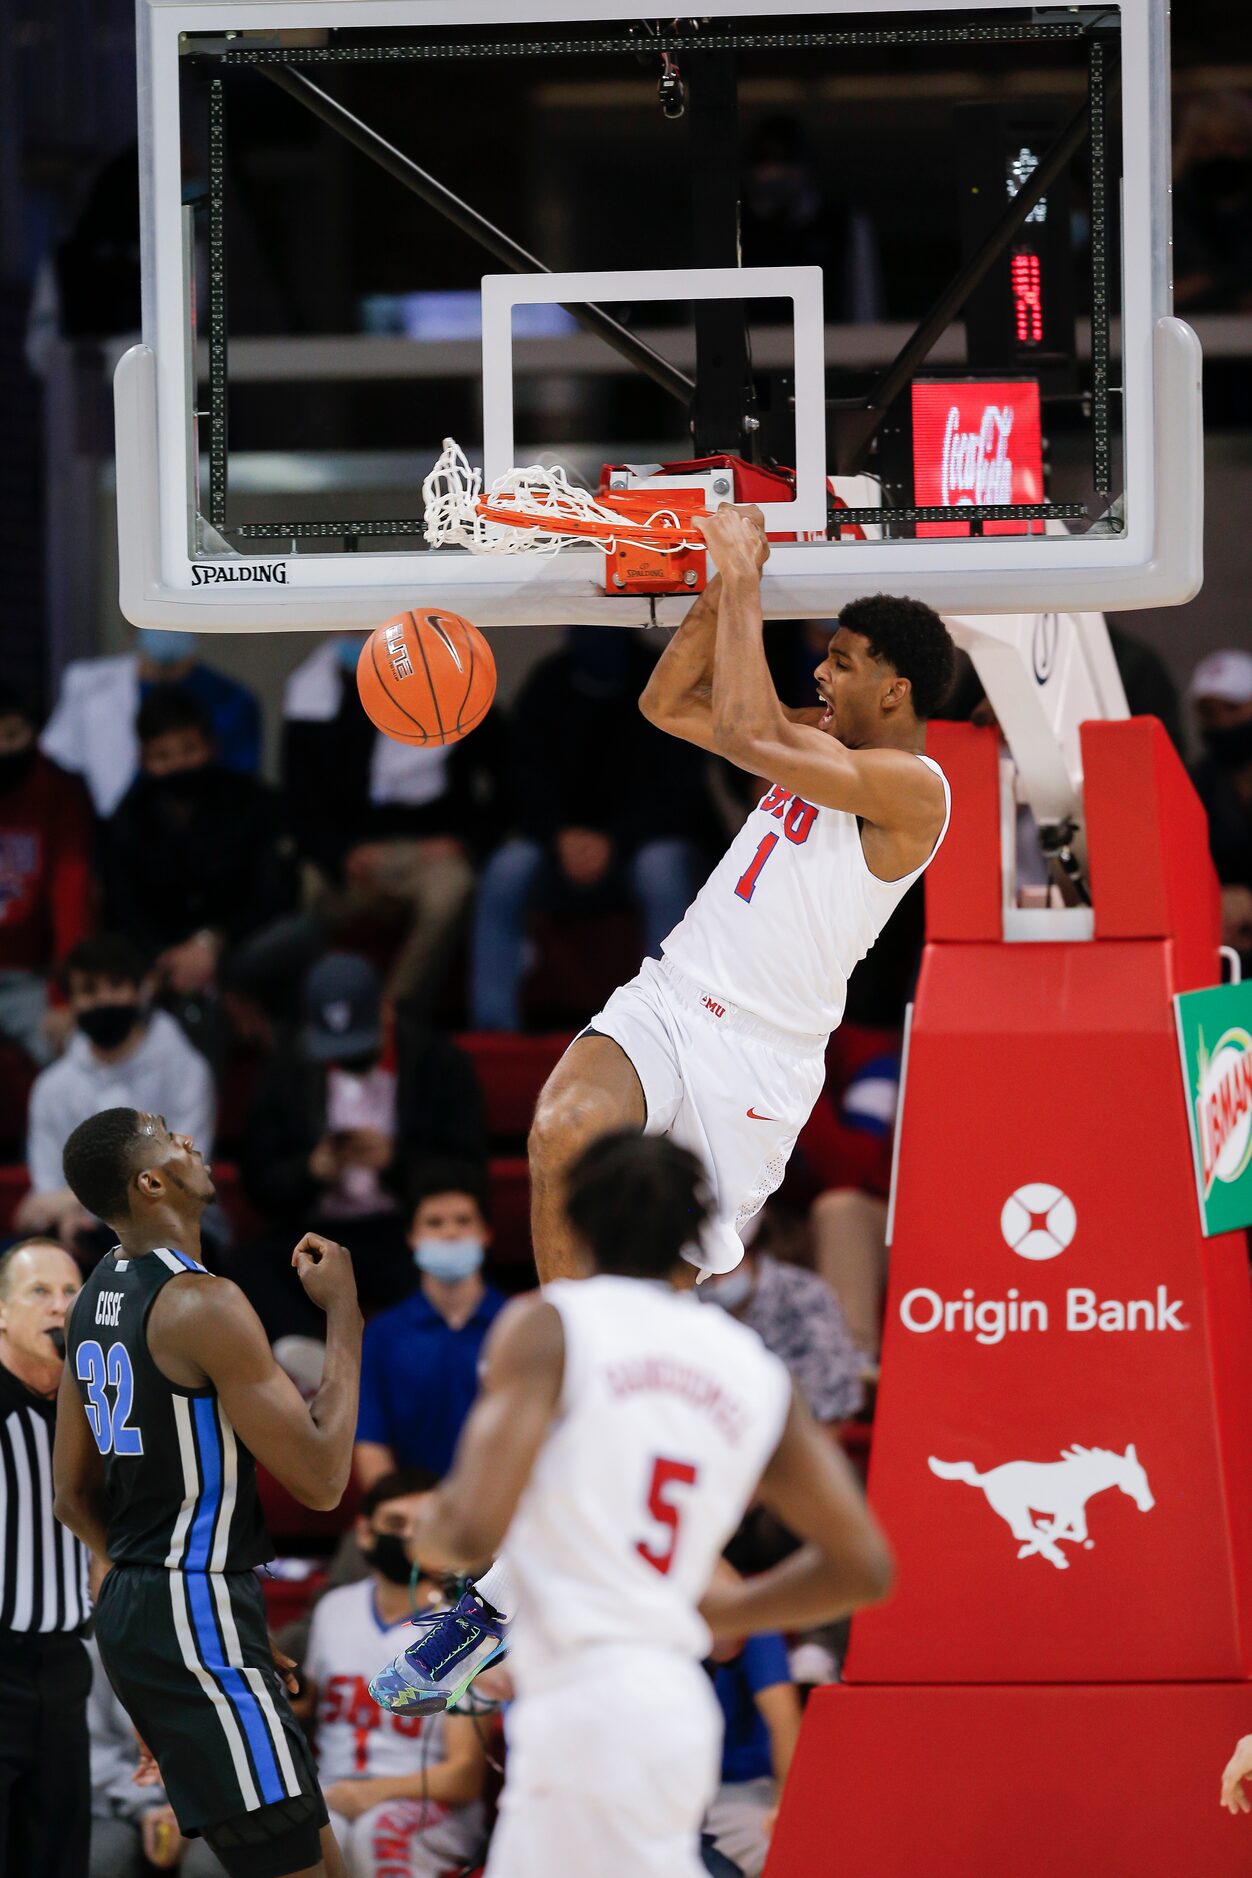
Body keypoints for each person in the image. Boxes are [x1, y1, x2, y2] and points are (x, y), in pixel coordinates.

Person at [368, 1132, 891, 1878]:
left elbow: (462, 1532)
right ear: (697, 1232)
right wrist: (706, 1616)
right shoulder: (748, 1362)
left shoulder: (551, 1323)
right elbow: (863, 1566)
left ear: (571, 1222)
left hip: (583, 1702)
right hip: (676, 1700)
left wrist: (445, 1538)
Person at [528, 510, 953, 1288]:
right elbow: (666, 704)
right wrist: (722, 584)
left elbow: (749, 735)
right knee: (565, 1126)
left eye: (843, 662)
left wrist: (748, 579)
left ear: (896, 692)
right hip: (672, 994)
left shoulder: (917, 790)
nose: (822, 674)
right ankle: (570, 1366)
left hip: (761, 1053)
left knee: (659, 1279)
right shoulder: (813, 737)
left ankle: (630, 1383)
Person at [52, 1106, 364, 1878]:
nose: (190, 1139)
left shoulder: (95, 1294)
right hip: (189, 1612)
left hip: (166, 1608)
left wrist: (184, 1603)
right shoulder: (204, 1304)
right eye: (168, 1136)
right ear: (151, 1181)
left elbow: (71, 1497)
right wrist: (347, 1316)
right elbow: (323, 1481)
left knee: (321, 1863)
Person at [468, 627, 719, 1032]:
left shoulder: (662, 676)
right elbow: (521, 780)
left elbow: (681, 790)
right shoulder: (548, 680)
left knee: (663, 867)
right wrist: (559, 836)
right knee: (506, 869)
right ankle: (496, 1031)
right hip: (557, 848)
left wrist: (614, 841)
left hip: (640, 844)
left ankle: (667, 1027)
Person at [239, 956, 486, 1327]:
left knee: (448, 1262)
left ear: (386, 1012)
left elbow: (469, 1173)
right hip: (315, 1232)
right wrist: (311, 1170)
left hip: (403, 1228)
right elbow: (258, 1180)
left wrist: (396, 1162)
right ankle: (309, 1365)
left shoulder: (439, 1063)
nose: (348, 1058)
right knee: (251, 1269)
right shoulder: (288, 1067)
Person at [281, 635, 505, 1014]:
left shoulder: (457, 686)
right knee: (299, 888)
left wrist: (463, 841)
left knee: (453, 887)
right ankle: (310, 1015)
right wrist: (340, 854)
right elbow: (298, 803)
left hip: (426, 853)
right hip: (347, 857)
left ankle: (394, 1015)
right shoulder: (316, 698)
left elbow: (510, 786)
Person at [301, 1469, 488, 1876]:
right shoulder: (334, 1609)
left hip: (428, 1803)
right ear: (365, 1532)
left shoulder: (468, 1627)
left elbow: (464, 1776)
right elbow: (306, 1710)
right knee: (307, 1831)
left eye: (422, 1526)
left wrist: (370, 1793)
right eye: (395, 1524)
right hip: (335, 1790)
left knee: (377, 1832)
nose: (408, 1537)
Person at [102, 687, 297, 1013]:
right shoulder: (128, 819)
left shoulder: (252, 801)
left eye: (188, 750)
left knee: (298, 935)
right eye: (162, 756)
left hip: (240, 947)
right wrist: (169, 956)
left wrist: (211, 943)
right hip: (163, 962)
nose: (178, 764)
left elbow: (275, 891)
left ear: (211, 747)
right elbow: (123, 908)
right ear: (143, 760)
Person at [15, 934, 215, 1249]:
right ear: (71, 1003)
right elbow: (45, 1192)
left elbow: (184, 1177)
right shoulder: (52, 1087)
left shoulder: (185, 1070)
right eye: (89, 991)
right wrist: (69, 1217)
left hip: (174, 1231)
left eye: (116, 985)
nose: (104, 1000)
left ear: (139, 992)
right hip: (75, 1232)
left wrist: (72, 1202)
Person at [0, 1239, 93, 1877]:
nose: (59, 1307)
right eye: (39, 1292)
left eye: (70, 1293)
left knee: (60, 1857)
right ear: (1, 1312)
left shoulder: (98, 1408)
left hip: (64, 1667)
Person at [354, 1163, 506, 1488]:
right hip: (417, 1517)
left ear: (486, 1233)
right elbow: (370, 1442)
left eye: (463, 1221)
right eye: (434, 1223)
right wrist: (395, 1517)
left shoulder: (517, 1324)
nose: (450, 1233)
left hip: (509, 1513)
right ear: (413, 1237)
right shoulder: (384, 1334)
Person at [41, 631, 262, 817]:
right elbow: (60, 768)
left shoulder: (232, 699)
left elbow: (240, 787)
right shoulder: (91, 686)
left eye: (189, 749)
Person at [0, 681, 94, 1066]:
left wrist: (66, 996)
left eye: (12, 735)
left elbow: (71, 897)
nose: (3, 748)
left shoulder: (60, 793)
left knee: (77, 1057)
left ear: (33, 733)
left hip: (34, 981)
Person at [697, 1236, 865, 1426]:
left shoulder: (802, 1293)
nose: (718, 1282)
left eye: (726, 1269)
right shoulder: (680, 1302)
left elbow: (833, 1403)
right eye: (707, 1272)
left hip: (786, 1434)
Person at [87, 1629, 187, 1876]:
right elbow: (93, 1752)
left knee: (208, 1868)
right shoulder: (95, 1637)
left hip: (221, 1806)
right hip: (123, 1798)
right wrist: (147, 1808)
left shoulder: (227, 1623)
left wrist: (194, 1810)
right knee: (96, 1862)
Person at [704, 1624, 802, 1878]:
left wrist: (785, 1809)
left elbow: (784, 1719)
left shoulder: (751, 1624)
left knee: (790, 1852)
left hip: (738, 1790)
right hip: (694, 1794)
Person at [1187, 650, 1252, 969]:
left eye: (1233, 708)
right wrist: (1213, 900)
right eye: (1210, 713)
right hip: (1224, 950)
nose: (1223, 722)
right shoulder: (1196, 782)